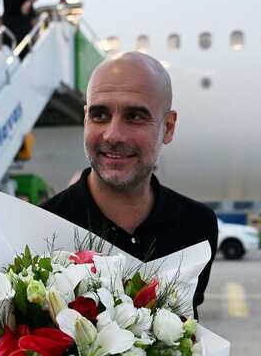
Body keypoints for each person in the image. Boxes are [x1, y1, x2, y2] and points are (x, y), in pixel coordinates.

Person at [41, 51, 218, 318]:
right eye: (100, 115)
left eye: (135, 116)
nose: (113, 135)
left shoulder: (197, 226)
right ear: (85, 118)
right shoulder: (41, 227)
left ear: (168, 127)